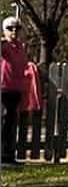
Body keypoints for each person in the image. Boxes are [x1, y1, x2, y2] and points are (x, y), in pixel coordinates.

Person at [2, 16, 31, 167]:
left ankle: (8, 156)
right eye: (10, 28)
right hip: (3, 89)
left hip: (16, 89)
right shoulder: (4, 46)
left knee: (11, 124)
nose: (14, 31)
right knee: (4, 123)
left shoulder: (20, 47)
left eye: (17, 28)